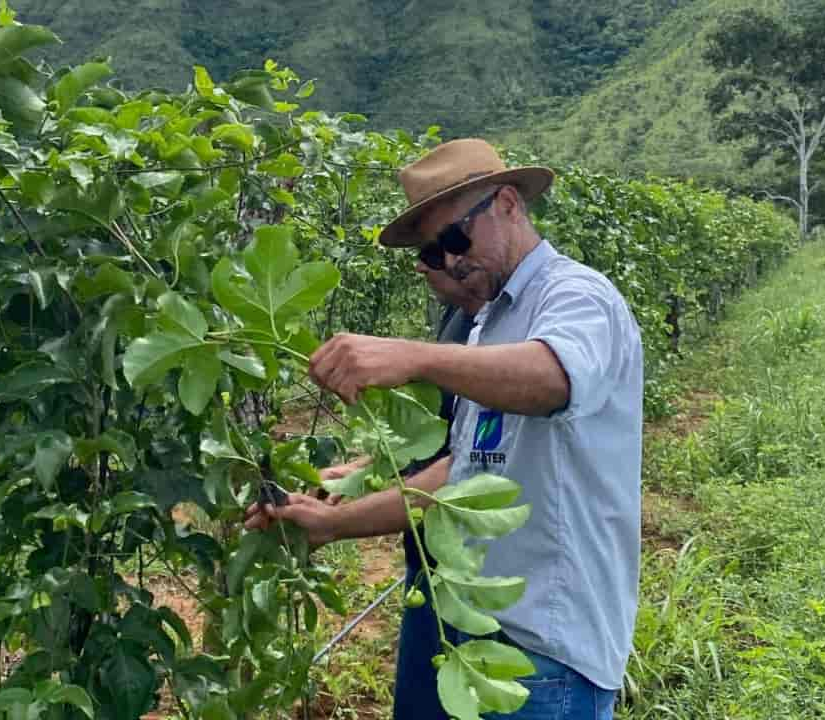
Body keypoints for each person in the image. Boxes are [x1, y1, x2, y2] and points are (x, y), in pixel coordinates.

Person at [248, 138, 643, 719]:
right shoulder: (488, 323)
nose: (450, 263)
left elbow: (556, 378)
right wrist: (336, 520)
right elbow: (465, 475)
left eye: (455, 238)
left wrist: (417, 357)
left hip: (544, 650)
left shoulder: (578, 296)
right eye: (433, 254)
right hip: (465, 618)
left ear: (508, 203)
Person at [320, 265, 482, 720]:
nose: (421, 263)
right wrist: (358, 472)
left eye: (437, 245)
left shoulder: (518, 329)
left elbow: (470, 466)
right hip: (429, 566)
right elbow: (436, 435)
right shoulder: (459, 316)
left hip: (476, 576)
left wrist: (334, 526)